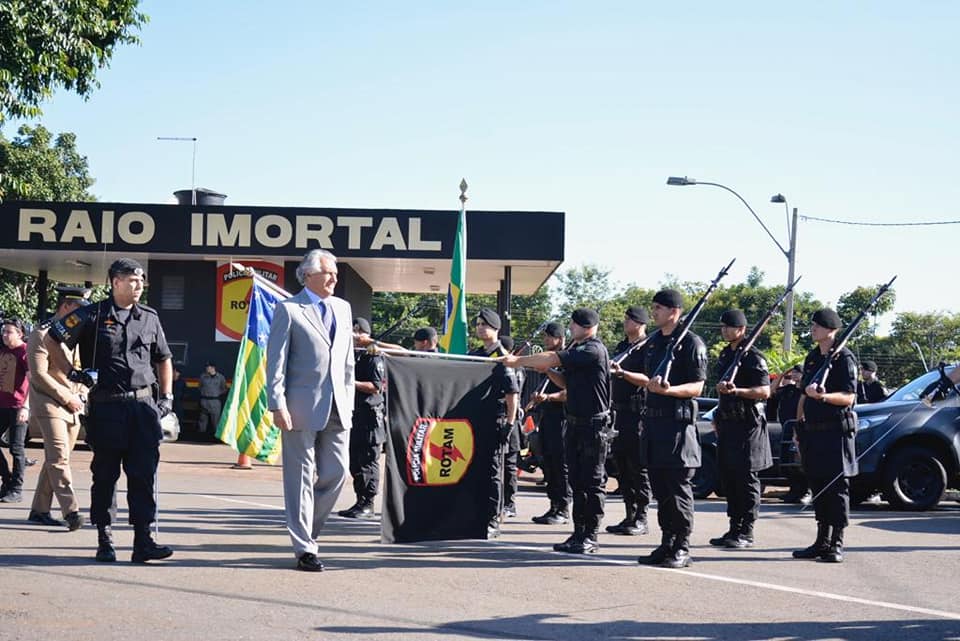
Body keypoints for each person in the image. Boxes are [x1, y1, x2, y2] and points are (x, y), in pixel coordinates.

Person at [46, 258, 175, 563]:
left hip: (143, 408)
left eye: (141, 280)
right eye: (132, 280)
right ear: (116, 282)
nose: (139, 285)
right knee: (105, 476)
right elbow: (53, 339)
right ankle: (105, 540)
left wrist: (167, 398)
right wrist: (73, 374)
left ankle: (143, 542)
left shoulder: (149, 317)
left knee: (143, 476)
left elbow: (163, 358)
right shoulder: (91, 314)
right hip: (107, 408)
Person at [266, 249, 355, 572]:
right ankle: (304, 547)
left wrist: (349, 402)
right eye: (328, 273)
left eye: (336, 274)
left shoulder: (342, 308)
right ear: (308, 275)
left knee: (337, 472)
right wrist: (277, 404)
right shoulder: (289, 310)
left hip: (338, 407)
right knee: (299, 478)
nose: (334, 279)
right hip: (300, 408)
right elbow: (275, 363)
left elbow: (347, 362)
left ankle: (306, 530)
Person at [502, 308, 611, 554]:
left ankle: (590, 535)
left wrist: (518, 361)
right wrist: (548, 372)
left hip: (593, 426)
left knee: (591, 482)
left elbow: (552, 357)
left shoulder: (592, 349)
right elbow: (565, 381)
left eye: (574, 324)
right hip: (575, 423)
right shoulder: (579, 351)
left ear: (587, 327)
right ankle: (579, 532)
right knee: (577, 480)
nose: (570, 328)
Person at [637, 289, 706, 569]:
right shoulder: (655, 342)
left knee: (677, 489)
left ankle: (681, 546)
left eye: (658, 308)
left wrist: (669, 390)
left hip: (677, 427)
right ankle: (667, 542)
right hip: (654, 424)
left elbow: (698, 386)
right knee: (660, 488)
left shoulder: (691, 343)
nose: (653, 312)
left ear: (674, 312)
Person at [793, 308, 858, 564]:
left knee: (836, 488)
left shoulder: (844, 358)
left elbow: (849, 397)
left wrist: (823, 397)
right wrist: (798, 425)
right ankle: (821, 540)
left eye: (817, 326)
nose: (813, 329)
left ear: (831, 330)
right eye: (812, 325)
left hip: (835, 433)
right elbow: (803, 395)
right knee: (818, 485)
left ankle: (836, 542)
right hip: (813, 433)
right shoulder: (812, 357)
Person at [26, 286, 91, 529]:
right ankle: (71, 511)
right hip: (50, 403)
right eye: (78, 310)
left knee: (55, 460)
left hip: (74, 405)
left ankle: (39, 510)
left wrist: (82, 393)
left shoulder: (77, 335)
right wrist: (67, 397)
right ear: (65, 306)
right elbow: (39, 375)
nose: (82, 315)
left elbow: (82, 371)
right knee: (59, 458)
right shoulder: (41, 334)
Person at [709, 309, 772, 549]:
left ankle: (747, 530)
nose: (725, 330)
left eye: (729, 327)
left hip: (748, 426)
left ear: (742, 330)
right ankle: (734, 527)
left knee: (746, 478)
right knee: (730, 477)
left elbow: (764, 391)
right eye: (723, 326)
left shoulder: (753, 357)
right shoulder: (727, 354)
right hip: (728, 424)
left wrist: (737, 391)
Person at [468, 308, 519, 537]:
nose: (480, 328)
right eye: (478, 324)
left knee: (493, 472)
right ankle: (476, 516)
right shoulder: (475, 353)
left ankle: (492, 520)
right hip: (476, 419)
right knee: (475, 470)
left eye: (485, 325)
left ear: (496, 328)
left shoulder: (503, 357)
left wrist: (509, 423)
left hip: (495, 419)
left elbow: (512, 394)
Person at [606, 306, 653, 536]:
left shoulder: (649, 348)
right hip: (619, 413)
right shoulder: (622, 347)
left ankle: (641, 517)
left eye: (629, 319)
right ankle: (629, 514)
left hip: (638, 415)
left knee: (638, 467)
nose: (625, 322)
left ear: (641, 323)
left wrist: (623, 373)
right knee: (622, 466)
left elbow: (648, 380)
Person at [339, 317, 385, 519]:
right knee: (354, 461)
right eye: (353, 331)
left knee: (367, 461)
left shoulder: (373, 356)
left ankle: (368, 503)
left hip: (370, 417)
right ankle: (360, 500)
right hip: (355, 415)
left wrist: (351, 382)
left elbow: (375, 386)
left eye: (359, 332)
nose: (355, 336)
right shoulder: (354, 355)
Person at [528, 322, 572, 525]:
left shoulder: (567, 360)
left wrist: (548, 397)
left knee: (560, 463)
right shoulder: (548, 361)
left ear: (560, 339)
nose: (546, 340)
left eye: (550, 336)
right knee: (548, 462)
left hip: (562, 418)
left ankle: (563, 507)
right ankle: (554, 505)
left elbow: (569, 391)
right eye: (545, 336)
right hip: (547, 417)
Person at [768, 365, 809, 503]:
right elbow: (772, 391)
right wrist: (782, 374)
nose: (795, 374)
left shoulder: (805, 391)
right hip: (786, 429)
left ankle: (805, 491)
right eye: (794, 372)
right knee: (787, 463)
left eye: (798, 372)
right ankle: (794, 490)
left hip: (799, 429)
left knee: (800, 463)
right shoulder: (788, 389)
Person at [0, 318, 30, 503]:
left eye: (9, 332)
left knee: (16, 448)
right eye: (3, 331)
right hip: (2, 405)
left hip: (18, 407)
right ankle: (7, 480)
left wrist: (26, 406)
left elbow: (33, 382)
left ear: (20, 334)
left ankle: (17, 489)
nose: (4, 335)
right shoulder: (3, 351)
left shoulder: (25, 352)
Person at [498, 335, 523, 518]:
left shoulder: (513, 369)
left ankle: (509, 503)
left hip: (511, 419)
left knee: (509, 465)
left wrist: (509, 421)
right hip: (507, 418)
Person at [198, 361, 227, 436]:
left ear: (213, 368)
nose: (206, 368)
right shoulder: (203, 377)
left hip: (215, 401)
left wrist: (216, 394)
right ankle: (201, 435)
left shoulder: (220, 377)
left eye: (208, 367)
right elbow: (200, 387)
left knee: (215, 420)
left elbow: (224, 388)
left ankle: (216, 436)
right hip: (204, 400)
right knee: (202, 419)